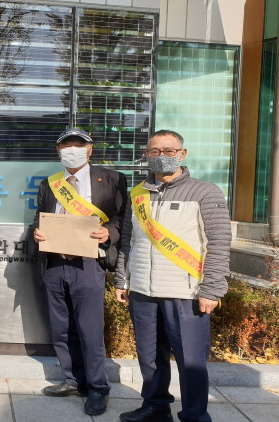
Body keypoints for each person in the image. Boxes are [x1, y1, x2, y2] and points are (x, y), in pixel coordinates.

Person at [115, 130, 231, 422]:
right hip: (142, 290)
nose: (162, 156)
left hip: (186, 293)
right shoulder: (137, 194)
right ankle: (155, 407)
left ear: (182, 154)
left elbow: (219, 242)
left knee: (191, 361)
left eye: (169, 151)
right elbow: (128, 240)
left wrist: (212, 289)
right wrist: (122, 279)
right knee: (150, 356)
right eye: (155, 151)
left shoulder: (204, 191)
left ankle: (194, 415)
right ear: (146, 155)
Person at [32, 128, 127, 416]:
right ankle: (73, 380)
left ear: (90, 149)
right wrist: (37, 232)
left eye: (79, 145)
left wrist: (108, 232)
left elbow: (122, 219)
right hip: (54, 263)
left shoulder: (112, 179)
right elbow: (40, 216)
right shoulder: (49, 184)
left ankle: (97, 387)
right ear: (58, 151)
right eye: (66, 146)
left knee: (90, 329)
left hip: (88, 263)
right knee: (61, 328)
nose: (72, 150)